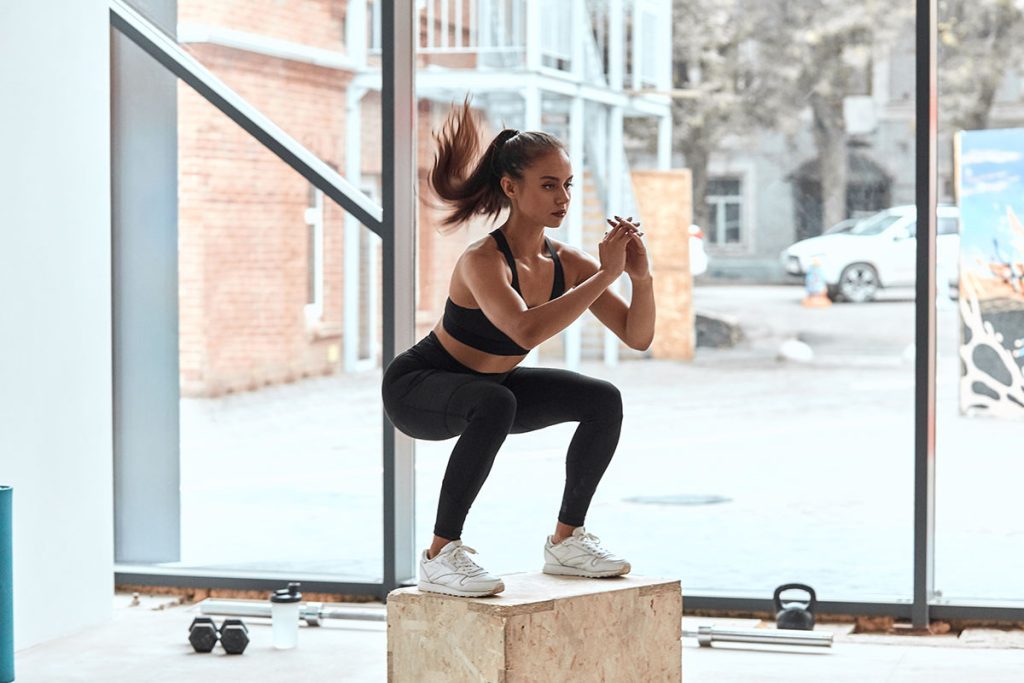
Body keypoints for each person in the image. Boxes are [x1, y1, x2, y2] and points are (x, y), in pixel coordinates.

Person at [380, 100, 655, 598]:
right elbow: (523, 332)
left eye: (567, 184)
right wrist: (607, 274)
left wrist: (641, 277)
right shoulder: (483, 260)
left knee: (602, 399)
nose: (563, 197)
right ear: (511, 188)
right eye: (549, 185)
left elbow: (637, 336)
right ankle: (441, 555)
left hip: (489, 388)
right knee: (496, 402)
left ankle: (566, 542)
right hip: (419, 388)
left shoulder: (564, 261)